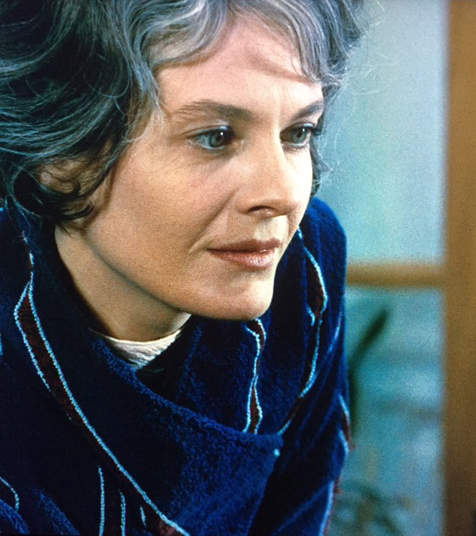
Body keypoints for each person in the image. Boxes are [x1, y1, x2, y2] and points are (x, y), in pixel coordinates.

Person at [0, 1, 364, 534]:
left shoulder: (305, 265)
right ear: (60, 155)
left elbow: (298, 508)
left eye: (298, 133)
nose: (284, 194)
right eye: (216, 136)